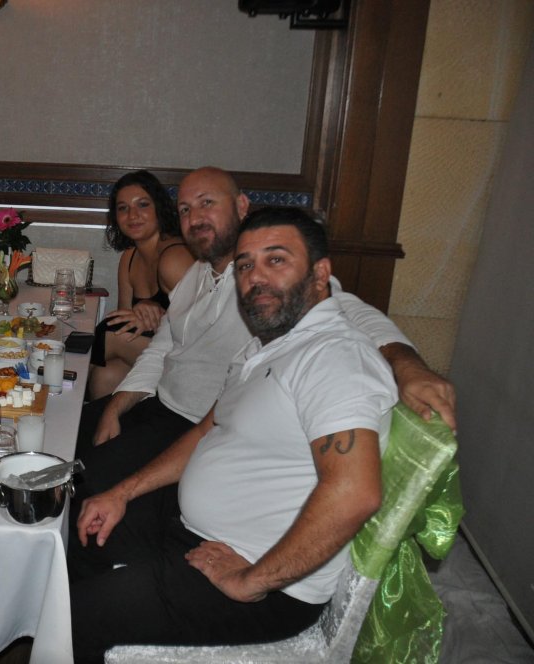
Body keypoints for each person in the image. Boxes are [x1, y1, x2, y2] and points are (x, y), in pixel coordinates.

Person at [69, 206, 399, 662]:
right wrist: (122, 493)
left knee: (77, 614)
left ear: (321, 274)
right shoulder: (264, 346)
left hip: (262, 576)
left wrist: (252, 581)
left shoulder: (335, 359)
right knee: (78, 530)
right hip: (191, 530)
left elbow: (355, 492)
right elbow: (208, 429)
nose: (255, 277)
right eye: (245, 265)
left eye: (276, 260)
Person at [73, 167, 456, 517]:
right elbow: (163, 346)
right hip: (158, 406)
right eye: (186, 210)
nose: (195, 218)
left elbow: (352, 311)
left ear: (241, 206)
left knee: (80, 483)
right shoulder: (196, 274)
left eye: (207, 203)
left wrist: (408, 367)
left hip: (194, 428)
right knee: (67, 434)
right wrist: (116, 406)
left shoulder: (262, 282)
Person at [88, 170, 194, 400]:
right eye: (123, 208)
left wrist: (161, 315)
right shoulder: (129, 256)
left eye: (143, 205)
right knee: (106, 375)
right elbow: (124, 320)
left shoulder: (174, 257)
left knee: (106, 334)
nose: (132, 215)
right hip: (150, 349)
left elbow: (200, 329)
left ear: (159, 208)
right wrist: (140, 316)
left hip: (188, 362)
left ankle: (58, 382)